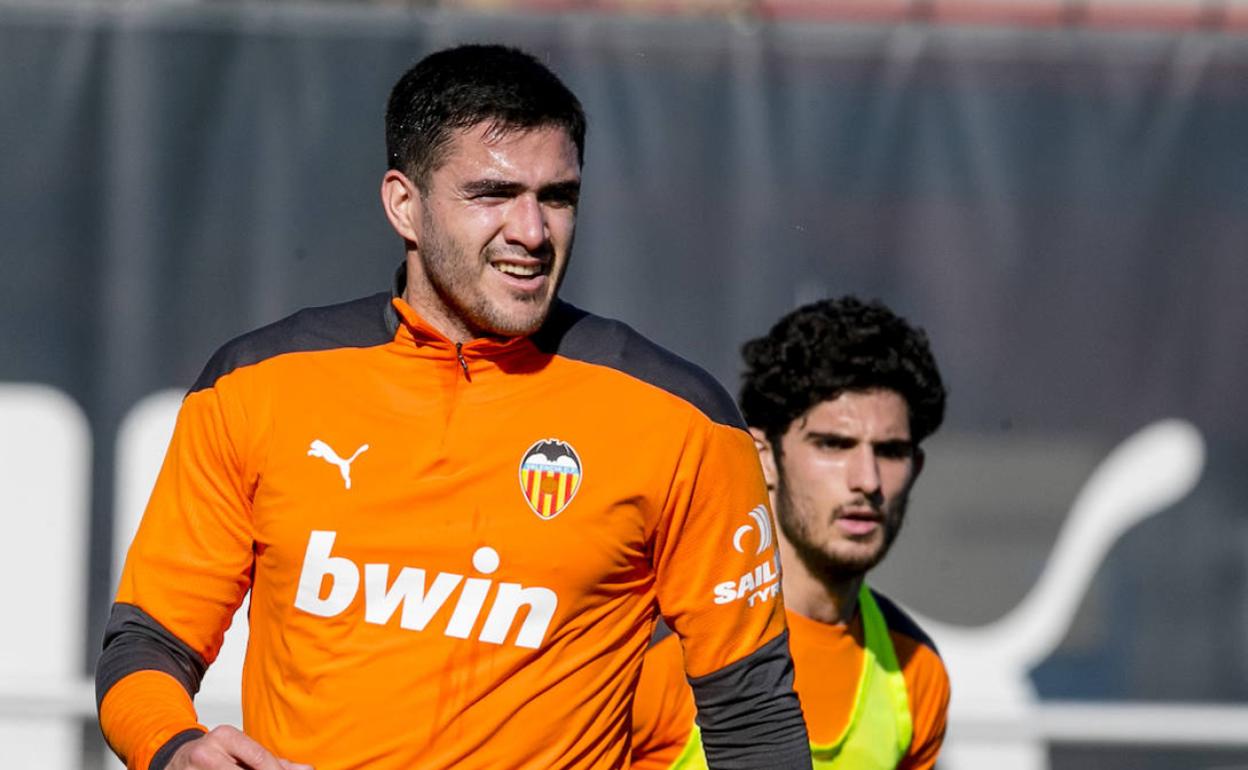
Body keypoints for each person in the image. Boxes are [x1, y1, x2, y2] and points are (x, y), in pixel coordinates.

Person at [95, 44, 810, 770]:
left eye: (557, 197)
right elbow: (148, 642)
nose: (532, 233)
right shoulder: (257, 383)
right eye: (493, 194)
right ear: (405, 204)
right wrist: (174, 748)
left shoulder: (681, 418)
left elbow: (752, 715)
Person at [631, 296, 952, 769]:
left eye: (890, 451)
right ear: (762, 456)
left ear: (916, 468)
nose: (867, 479)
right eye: (833, 444)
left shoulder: (915, 669)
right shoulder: (651, 649)